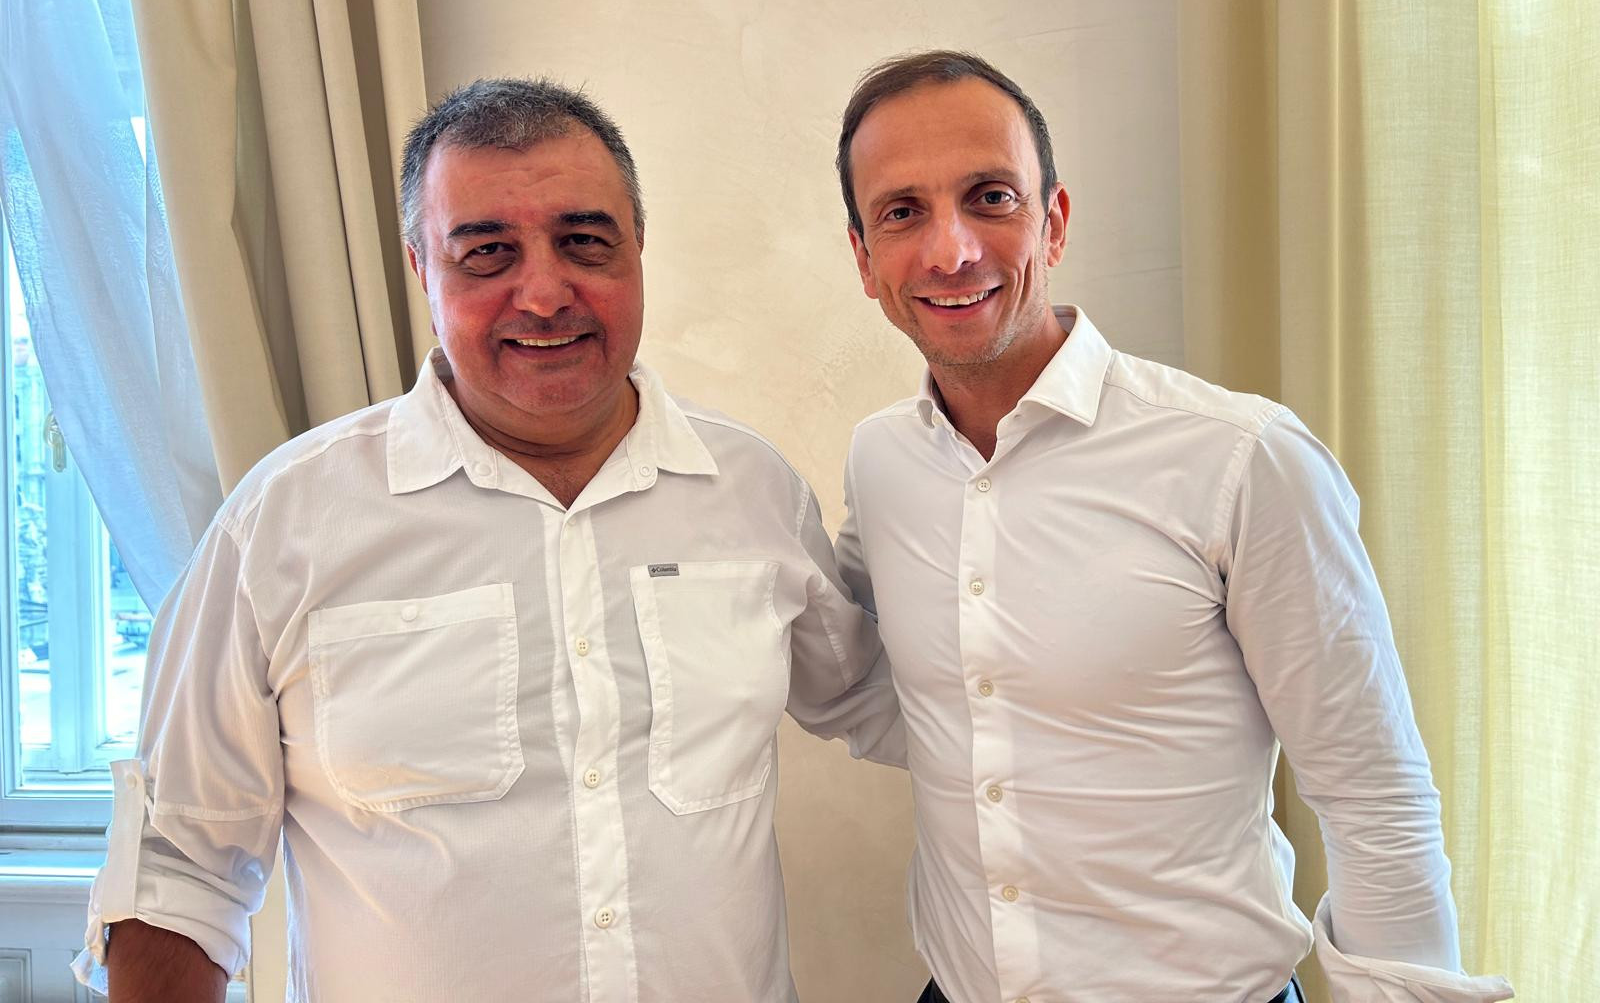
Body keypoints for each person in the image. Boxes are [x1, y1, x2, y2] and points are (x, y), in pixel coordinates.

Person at [73, 77, 903, 1003]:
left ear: (637, 248)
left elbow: (890, 700)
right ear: (421, 268)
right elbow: (179, 872)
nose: (543, 294)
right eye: (486, 253)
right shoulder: (282, 524)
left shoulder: (753, 493)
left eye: (584, 242)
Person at [831, 50, 1513, 1003]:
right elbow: (870, 673)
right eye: (903, 212)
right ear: (864, 258)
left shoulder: (1241, 458)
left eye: (991, 198)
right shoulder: (881, 463)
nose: (951, 251)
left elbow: (1373, 792)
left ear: (1053, 221)